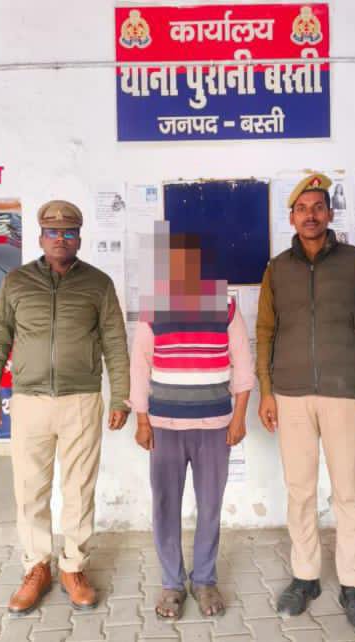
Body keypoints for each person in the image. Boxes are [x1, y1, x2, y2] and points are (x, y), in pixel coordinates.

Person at [0, 200, 130, 615]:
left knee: (79, 489)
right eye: (52, 232)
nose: (60, 239)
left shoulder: (98, 284)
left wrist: (120, 396)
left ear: (79, 237)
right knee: (30, 490)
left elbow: (115, 342)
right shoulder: (17, 281)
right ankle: (36, 567)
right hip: (29, 402)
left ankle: (73, 568)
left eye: (69, 233)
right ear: (41, 237)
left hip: (81, 400)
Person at [256, 174, 355, 634]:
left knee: (349, 494)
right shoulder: (277, 269)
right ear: (291, 217)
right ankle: (306, 577)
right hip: (291, 396)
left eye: (318, 207)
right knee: (300, 492)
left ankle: (353, 585)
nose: (310, 215)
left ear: (330, 214)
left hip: (345, 393)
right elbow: (265, 333)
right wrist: (266, 390)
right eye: (302, 208)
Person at [129, 225, 254, 620]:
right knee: (165, 506)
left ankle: (204, 580)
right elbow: (139, 367)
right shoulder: (153, 307)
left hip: (215, 426)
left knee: (210, 505)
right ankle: (172, 583)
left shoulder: (225, 305)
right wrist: (142, 420)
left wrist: (239, 417)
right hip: (164, 427)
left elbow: (243, 364)